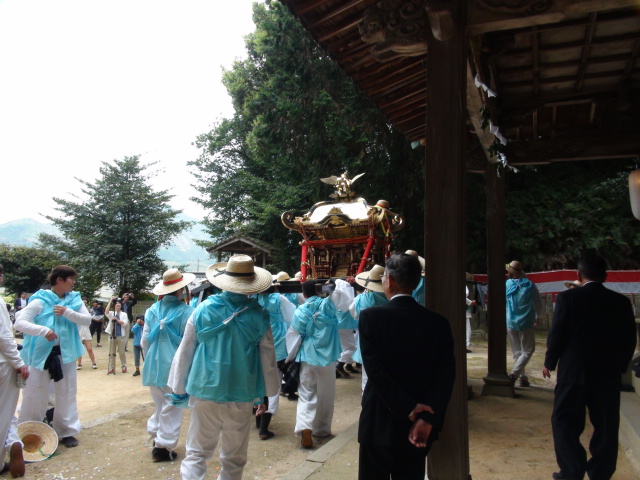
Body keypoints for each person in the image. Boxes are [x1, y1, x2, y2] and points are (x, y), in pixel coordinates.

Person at [167, 254, 279, 480]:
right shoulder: (260, 314)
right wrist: (267, 394)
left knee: (197, 451)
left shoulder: (203, 309)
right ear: (251, 283)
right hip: (242, 391)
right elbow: (267, 357)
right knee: (235, 455)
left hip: (205, 388)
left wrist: (179, 387)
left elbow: (186, 350)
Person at [357, 253, 455, 480]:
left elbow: (376, 372)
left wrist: (409, 408)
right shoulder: (438, 322)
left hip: (379, 422)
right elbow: (446, 375)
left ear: (388, 280)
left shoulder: (371, 317)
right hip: (420, 427)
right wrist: (427, 418)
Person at [542, 254, 636, 480]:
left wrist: (549, 362)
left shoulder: (568, 299)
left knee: (564, 421)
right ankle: (600, 473)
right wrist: (621, 365)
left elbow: (558, 335)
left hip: (573, 372)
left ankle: (571, 471)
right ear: (605, 276)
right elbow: (629, 338)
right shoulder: (621, 302)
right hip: (607, 374)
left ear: (578, 275)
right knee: (606, 425)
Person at [15, 265, 91, 448]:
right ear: (60, 280)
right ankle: (30, 431)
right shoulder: (40, 300)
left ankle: (67, 431)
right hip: (41, 355)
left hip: (66, 355)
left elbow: (87, 320)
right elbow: (20, 322)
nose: (74, 283)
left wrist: (68, 313)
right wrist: (42, 330)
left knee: (66, 393)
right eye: (71, 279)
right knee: (35, 394)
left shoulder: (74, 300)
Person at [141, 268, 195, 462]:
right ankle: (163, 447)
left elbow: (145, 341)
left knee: (159, 403)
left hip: (153, 364)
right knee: (173, 405)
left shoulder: (151, 310)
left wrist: (149, 359)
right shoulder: (187, 311)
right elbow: (189, 343)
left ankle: (156, 436)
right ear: (181, 289)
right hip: (174, 364)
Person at [291, 278, 351, 448]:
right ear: (318, 291)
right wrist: (334, 283)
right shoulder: (329, 305)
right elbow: (342, 293)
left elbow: (297, 331)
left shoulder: (300, 310)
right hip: (329, 356)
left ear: (303, 294)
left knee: (306, 393)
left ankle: (305, 427)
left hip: (308, 355)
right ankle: (322, 429)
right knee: (326, 394)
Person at [256, 277, 296, 440]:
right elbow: (291, 315)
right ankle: (264, 428)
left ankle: (258, 420)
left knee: (259, 382)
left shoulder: (254, 298)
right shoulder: (279, 298)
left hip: (258, 343)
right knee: (273, 384)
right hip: (277, 344)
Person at [0, 265, 28, 477]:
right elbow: (5, 338)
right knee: (6, 412)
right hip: (2, 364)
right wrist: (19, 363)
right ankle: (9, 447)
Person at [350, 264, 388, 392]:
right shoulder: (391, 298)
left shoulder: (361, 299)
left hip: (367, 342)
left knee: (367, 378)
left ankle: (367, 405)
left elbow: (353, 314)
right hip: (388, 341)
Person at [505, 260, 543, 387]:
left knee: (516, 351)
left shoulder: (507, 285)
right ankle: (515, 375)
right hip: (526, 321)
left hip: (510, 320)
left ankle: (522, 377)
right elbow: (537, 303)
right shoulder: (530, 285)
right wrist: (538, 316)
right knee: (527, 350)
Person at [104, 297, 129, 375]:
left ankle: (124, 366)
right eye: (116, 303)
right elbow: (106, 312)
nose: (118, 304)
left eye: (119, 303)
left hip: (121, 335)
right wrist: (110, 300)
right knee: (112, 352)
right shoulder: (112, 313)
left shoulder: (124, 314)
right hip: (112, 335)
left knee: (122, 352)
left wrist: (117, 320)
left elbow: (125, 324)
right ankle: (111, 367)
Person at [76, 298, 97, 370]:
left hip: (86, 332)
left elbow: (90, 320)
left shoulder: (88, 311)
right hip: (79, 332)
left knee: (89, 349)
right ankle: (79, 364)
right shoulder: (76, 311)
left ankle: (94, 363)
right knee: (79, 349)